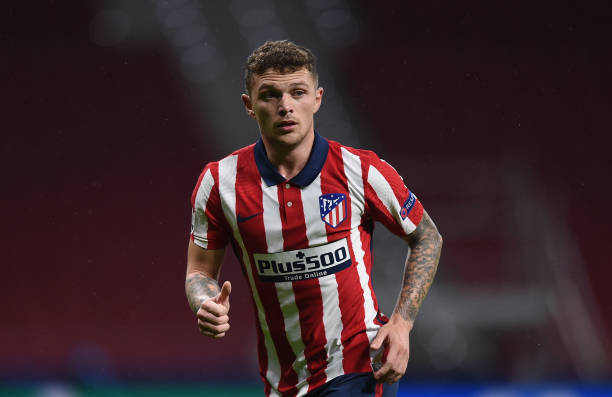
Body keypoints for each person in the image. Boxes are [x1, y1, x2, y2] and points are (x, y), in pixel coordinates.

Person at [185, 40, 442, 397]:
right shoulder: (219, 184)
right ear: (249, 105)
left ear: (317, 99)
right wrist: (205, 303)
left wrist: (402, 324)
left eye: (298, 93)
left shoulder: (361, 170)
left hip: (357, 367)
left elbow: (427, 236)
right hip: (281, 381)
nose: (286, 107)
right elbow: (199, 272)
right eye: (270, 95)